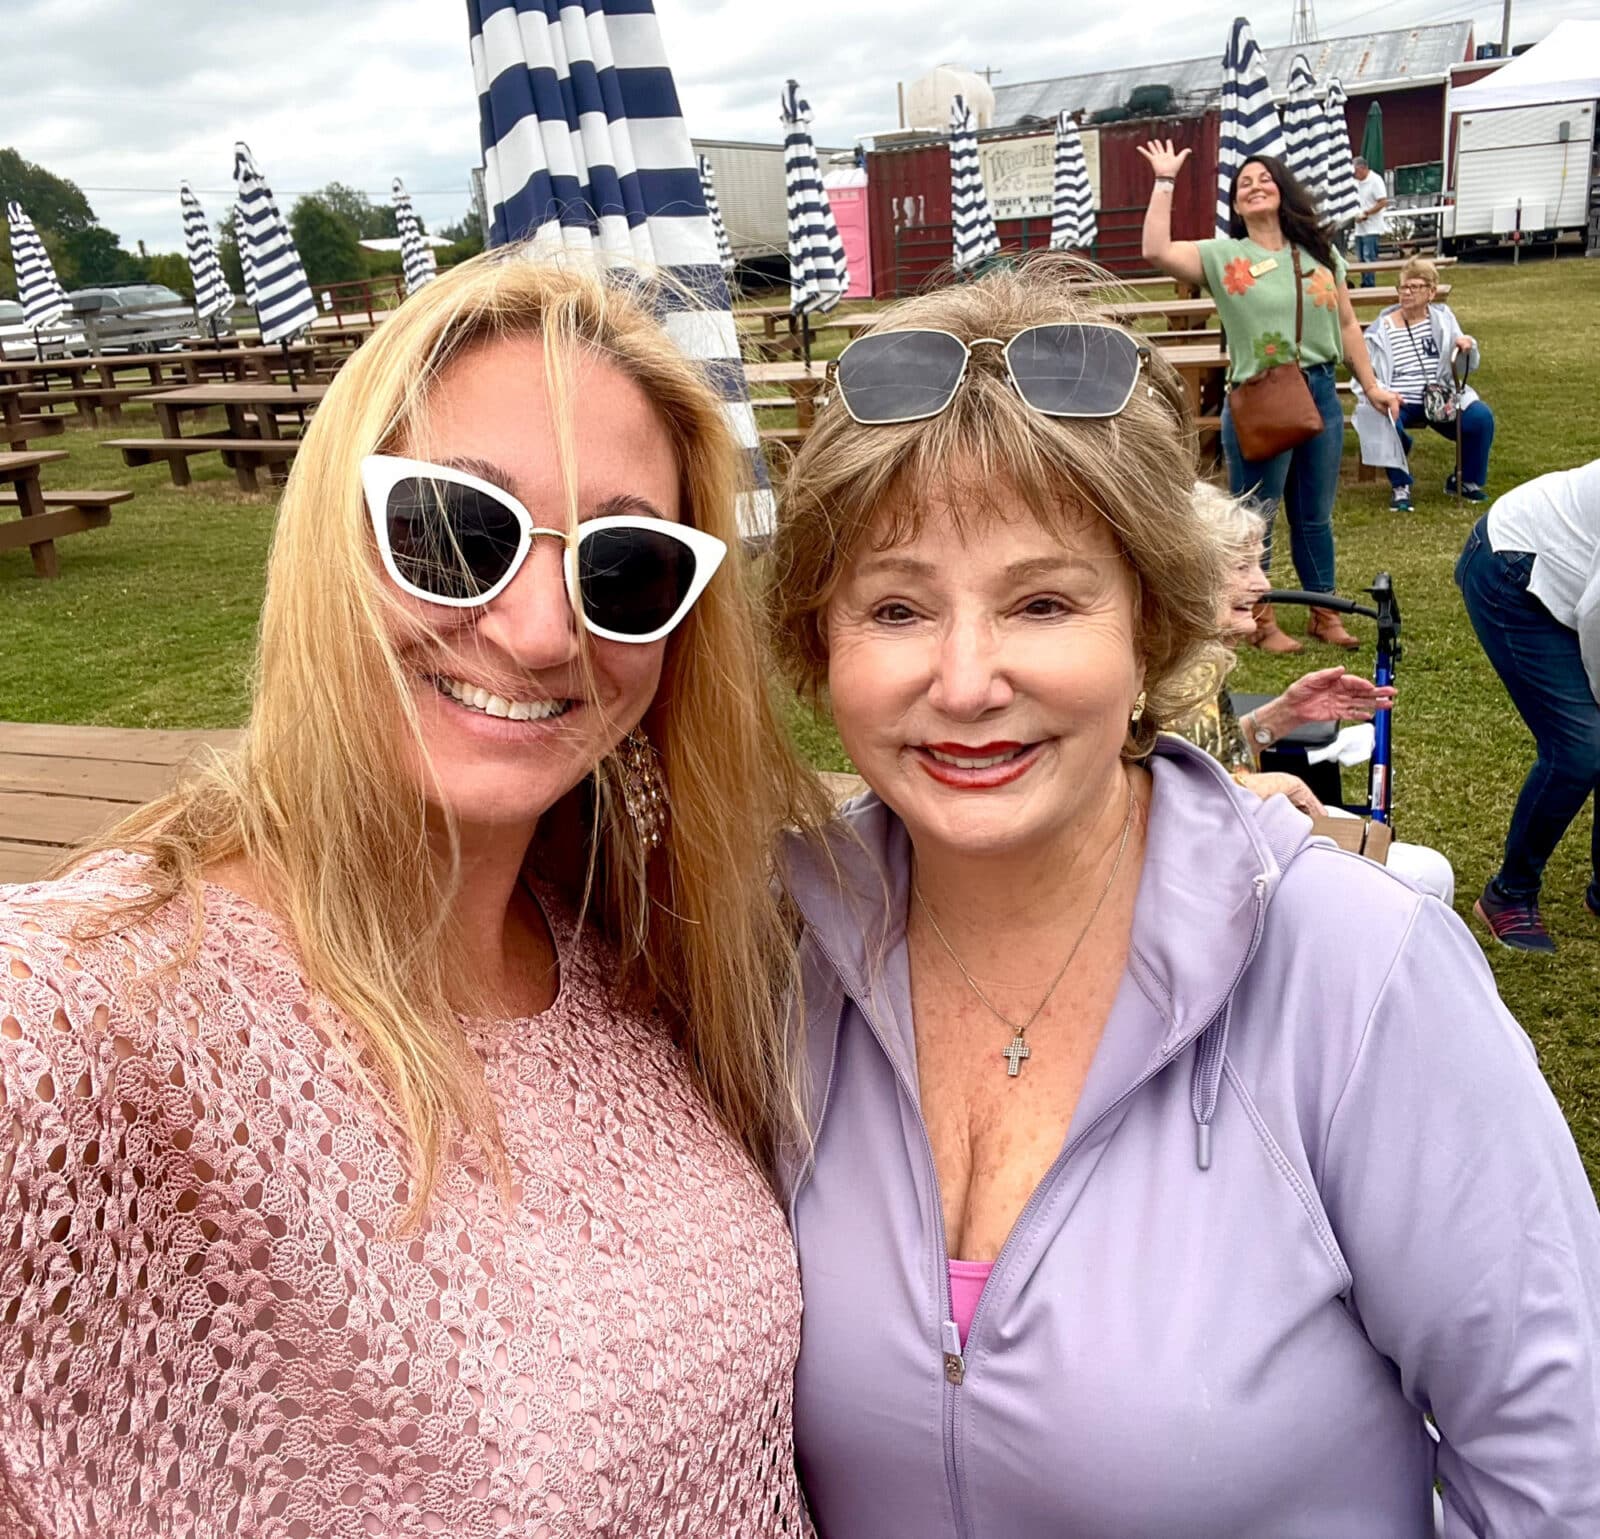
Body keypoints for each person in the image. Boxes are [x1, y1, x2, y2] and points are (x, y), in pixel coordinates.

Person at [769, 258, 1600, 1537]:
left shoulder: (1357, 975)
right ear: (817, 646)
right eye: (894, 606)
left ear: (1152, 625)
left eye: (1043, 600)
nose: (967, 676)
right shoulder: (770, 958)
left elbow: (1560, 1470)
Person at [0, 255, 828, 1536]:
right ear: (332, 535)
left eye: (622, 571)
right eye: (454, 533)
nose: (545, 632)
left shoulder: (633, 946)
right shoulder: (100, 1017)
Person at [1139, 143, 1402, 654]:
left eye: (1265, 179)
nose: (1255, 186)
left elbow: (1348, 323)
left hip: (1321, 390)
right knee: (1258, 513)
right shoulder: (1225, 256)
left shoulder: (1322, 257)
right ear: (1237, 206)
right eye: (1244, 184)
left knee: (1315, 514)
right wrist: (1165, 180)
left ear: (1282, 192)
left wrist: (1370, 386)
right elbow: (1156, 250)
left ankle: (1324, 613)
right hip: (1261, 395)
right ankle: (1258, 619)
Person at [1177, 481, 1455, 903]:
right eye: (1241, 567)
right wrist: (1271, 787)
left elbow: (1214, 758)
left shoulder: (1198, 656)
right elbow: (1166, 803)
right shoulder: (1160, 675)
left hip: (1242, 842)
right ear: (1185, 572)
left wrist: (1286, 713)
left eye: (1259, 564)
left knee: (1423, 869)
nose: (1262, 583)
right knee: (1424, 878)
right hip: (1216, 877)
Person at [1457, 457, 1600, 954]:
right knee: (1580, 749)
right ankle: (1509, 894)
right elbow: (1597, 615)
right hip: (1511, 567)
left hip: (1571, 567)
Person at [1352, 255, 1495, 511]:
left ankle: (1465, 482)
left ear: (1431, 292)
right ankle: (1400, 487)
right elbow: (1365, 372)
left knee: (1481, 418)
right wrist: (1384, 394)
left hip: (1439, 395)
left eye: (1414, 287)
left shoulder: (1443, 318)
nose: (1406, 293)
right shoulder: (1381, 329)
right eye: (1403, 287)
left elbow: (1466, 365)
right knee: (1386, 419)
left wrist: (1466, 346)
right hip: (1399, 398)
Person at [1350, 157, 1390, 285]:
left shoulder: (1375, 180)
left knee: (1369, 257)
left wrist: (1368, 213)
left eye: (1356, 171)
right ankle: (1364, 282)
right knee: (1361, 258)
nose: (1354, 174)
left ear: (1363, 168)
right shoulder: (1356, 183)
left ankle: (1370, 284)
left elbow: (1383, 201)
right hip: (1359, 227)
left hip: (1372, 227)